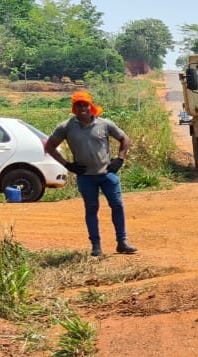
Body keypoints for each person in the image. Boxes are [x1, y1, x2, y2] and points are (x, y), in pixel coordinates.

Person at [45, 90, 136, 257]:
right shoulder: (66, 127)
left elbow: (125, 139)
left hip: (107, 174)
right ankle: (96, 246)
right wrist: (68, 165)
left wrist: (120, 159)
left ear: (91, 106)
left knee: (117, 206)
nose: (82, 109)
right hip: (86, 177)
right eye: (78, 106)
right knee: (91, 209)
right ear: (74, 109)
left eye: (85, 105)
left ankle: (122, 242)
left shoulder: (105, 124)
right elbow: (49, 147)